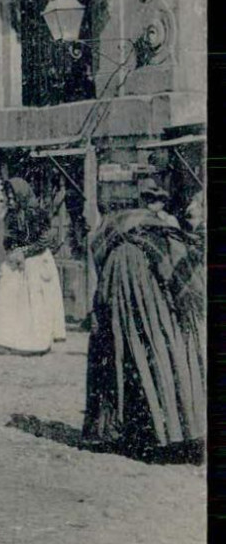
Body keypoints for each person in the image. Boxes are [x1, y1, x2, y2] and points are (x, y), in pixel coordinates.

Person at [82, 178, 205, 460]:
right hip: (150, 304)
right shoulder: (164, 230)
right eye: (152, 200)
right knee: (159, 356)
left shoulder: (116, 228)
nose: (155, 206)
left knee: (125, 359)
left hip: (118, 302)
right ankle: (170, 430)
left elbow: (97, 255)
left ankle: (124, 429)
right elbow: (180, 275)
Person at [0, 178, 66, 355]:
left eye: (12, 195)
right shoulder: (10, 215)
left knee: (36, 303)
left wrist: (25, 252)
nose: (9, 198)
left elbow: (45, 240)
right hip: (17, 260)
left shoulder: (36, 213)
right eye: (7, 195)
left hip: (37, 260)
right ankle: (9, 340)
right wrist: (14, 252)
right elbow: (7, 240)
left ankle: (38, 344)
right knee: (6, 297)